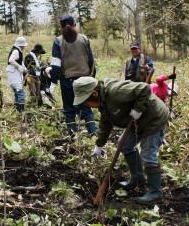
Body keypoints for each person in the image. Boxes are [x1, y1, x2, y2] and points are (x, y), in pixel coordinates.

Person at [72, 76, 169, 204]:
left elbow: (144, 88)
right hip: (137, 122)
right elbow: (105, 122)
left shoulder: (115, 91)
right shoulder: (103, 101)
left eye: (85, 101)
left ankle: (155, 193)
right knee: (125, 145)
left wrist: (137, 109)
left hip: (153, 119)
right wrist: (99, 145)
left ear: (94, 93)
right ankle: (138, 178)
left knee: (148, 155)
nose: (86, 105)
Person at [50, 14, 97, 136]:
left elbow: (56, 65)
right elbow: (91, 61)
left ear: (61, 27)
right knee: (86, 108)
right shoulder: (84, 39)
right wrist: (91, 77)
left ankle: (73, 137)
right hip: (85, 79)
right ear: (74, 25)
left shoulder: (58, 41)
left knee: (69, 110)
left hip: (67, 81)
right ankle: (94, 135)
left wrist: (53, 82)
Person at [6, 36, 28, 112]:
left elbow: (20, 62)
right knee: (20, 92)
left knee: (17, 92)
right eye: (23, 46)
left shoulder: (17, 51)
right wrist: (19, 67)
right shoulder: (16, 51)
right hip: (14, 74)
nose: (24, 47)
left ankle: (17, 110)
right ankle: (21, 111)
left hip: (14, 73)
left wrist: (24, 69)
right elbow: (11, 60)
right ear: (21, 45)